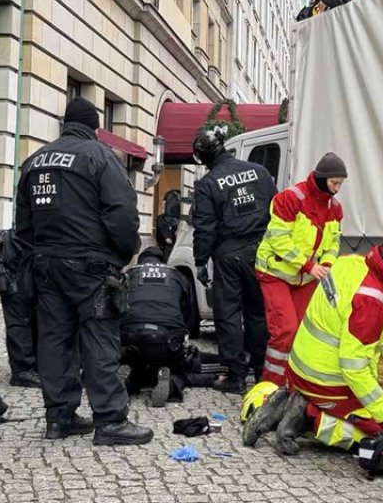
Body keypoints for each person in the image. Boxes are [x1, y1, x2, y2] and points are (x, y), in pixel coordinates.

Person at [13, 97, 152, 445]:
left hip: (46, 264)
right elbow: (122, 214)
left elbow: (23, 224)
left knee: (54, 340)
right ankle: (109, 421)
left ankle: (59, 418)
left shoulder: (34, 162)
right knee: (99, 338)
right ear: (93, 127)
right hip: (90, 265)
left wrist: (37, 254)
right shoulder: (100, 157)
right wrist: (123, 252)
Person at [243, 230, 383, 456]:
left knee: (373, 414)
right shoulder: (373, 300)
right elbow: (353, 368)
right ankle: (308, 413)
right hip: (326, 381)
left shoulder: (352, 263)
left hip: (301, 366)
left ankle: (295, 399)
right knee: (374, 435)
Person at [192, 126, 276, 394]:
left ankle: (236, 376)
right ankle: (262, 370)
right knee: (258, 312)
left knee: (228, 314)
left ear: (203, 158)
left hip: (228, 255)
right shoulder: (259, 172)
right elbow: (277, 209)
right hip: (260, 251)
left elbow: (205, 227)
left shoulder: (208, 183)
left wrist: (200, 261)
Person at [255, 153, 348, 388]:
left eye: (340, 184)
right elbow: (279, 239)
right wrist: (309, 265)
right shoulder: (290, 198)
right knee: (285, 329)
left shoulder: (335, 208)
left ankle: (291, 385)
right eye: (334, 183)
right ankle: (269, 387)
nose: (337, 189)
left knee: (302, 334)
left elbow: (333, 242)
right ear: (321, 178)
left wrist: (326, 264)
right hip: (275, 272)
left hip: (304, 278)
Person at [120, 246, 191, 407]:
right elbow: (187, 309)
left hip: (133, 336)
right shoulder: (175, 274)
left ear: (141, 260)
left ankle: (128, 381)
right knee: (178, 369)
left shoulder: (130, 273)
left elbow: (119, 306)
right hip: (168, 337)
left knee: (133, 362)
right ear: (161, 260)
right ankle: (171, 381)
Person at [0, 228, 41, 388]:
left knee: (25, 323)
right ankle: (23, 371)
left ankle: (27, 368)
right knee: (20, 325)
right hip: (16, 279)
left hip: (20, 277)